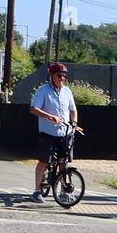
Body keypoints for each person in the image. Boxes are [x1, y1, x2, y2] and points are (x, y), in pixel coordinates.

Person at [30, 62, 78, 203]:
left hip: (64, 133)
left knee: (64, 162)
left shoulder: (67, 92)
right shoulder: (43, 90)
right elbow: (33, 109)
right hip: (48, 133)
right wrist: (49, 116)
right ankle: (37, 191)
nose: (62, 78)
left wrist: (74, 122)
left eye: (64, 76)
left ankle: (63, 191)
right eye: (59, 76)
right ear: (52, 76)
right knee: (44, 161)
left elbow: (73, 110)